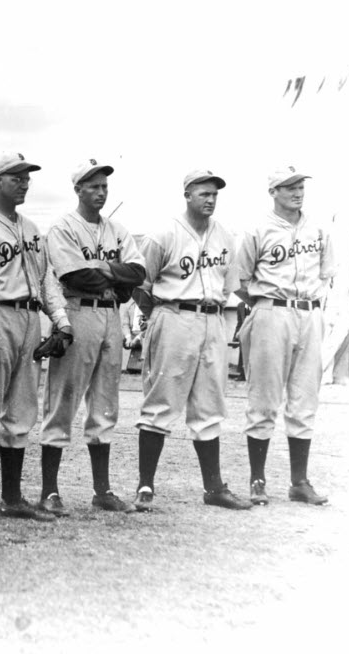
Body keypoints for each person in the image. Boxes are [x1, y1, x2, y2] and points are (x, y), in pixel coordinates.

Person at [0, 151, 71, 522]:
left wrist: (61, 321)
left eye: (26, 177)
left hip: (28, 317)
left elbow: (46, 281)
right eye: (15, 176)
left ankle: (12, 498)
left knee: (21, 412)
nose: (23, 182)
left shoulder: (33, 229)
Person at [131, 169, 251, 512]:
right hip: (173, 316)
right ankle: (145, 485)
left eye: (215, 194)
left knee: (209, 406)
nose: (210, 199)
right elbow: (141, 284)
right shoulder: (163, 234)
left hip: (212, 319)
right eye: (204, 193)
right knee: (161, 402)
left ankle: (214, 488)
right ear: (187, 194)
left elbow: (229, 285)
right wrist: (160, 315)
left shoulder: (225, 236)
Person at [39, 159, 146, 516]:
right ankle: (49, 491)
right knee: (63, 400)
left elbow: (139, 272)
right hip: (78, 311)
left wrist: (106, 269)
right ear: (78, 190)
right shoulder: (63, 228)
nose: (100, 192)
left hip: (111, 317)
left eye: (104, 186)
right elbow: (76, 277)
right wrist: (115, 278)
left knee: (105, 402)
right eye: (93, 186)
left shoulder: (117, 229)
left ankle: (102, 490)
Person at [235, 166, 335, 505]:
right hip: (272, 310)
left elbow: (328, 272)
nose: (297, 191)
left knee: (305, 398)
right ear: (273, 191)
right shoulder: (256, 228)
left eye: (300, 185)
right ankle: (258, 480)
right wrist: (266, 304)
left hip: (310, 311)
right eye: (288, 186)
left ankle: (299, 482)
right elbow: (240, 280)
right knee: (263, 398)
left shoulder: (320, 227)